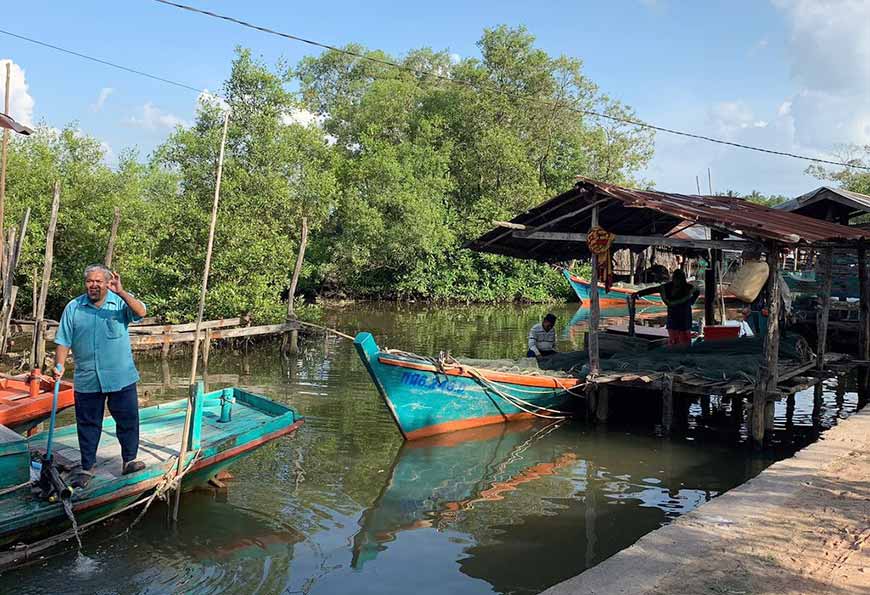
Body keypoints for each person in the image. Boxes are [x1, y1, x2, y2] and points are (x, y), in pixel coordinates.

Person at [53, 264, 148, 488]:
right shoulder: (74, 307)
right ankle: (87, 466)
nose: (93, 285)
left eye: (98, 281)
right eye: (90, 281)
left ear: (107, 283)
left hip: (120, 376)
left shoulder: (120, 303)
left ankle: (129, 460)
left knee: (127, 420)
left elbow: (141, 312)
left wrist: (121, 292)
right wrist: (59, 365)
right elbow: (63, 340)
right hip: (87, 378)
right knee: (87, 424)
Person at [631, 269, 699, 346]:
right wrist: (639, 293)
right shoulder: (666, 287)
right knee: (673, 338)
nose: (677, 282)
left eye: (679, 279)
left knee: (685, 337)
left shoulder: (688, 288)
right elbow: (652, 290)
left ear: (682, 280)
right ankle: (674, 347)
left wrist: (692, 301)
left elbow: (697, 291)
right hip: (673, 315)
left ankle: (684, 348)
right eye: (676, 279)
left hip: (684, 315)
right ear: (673, 279)